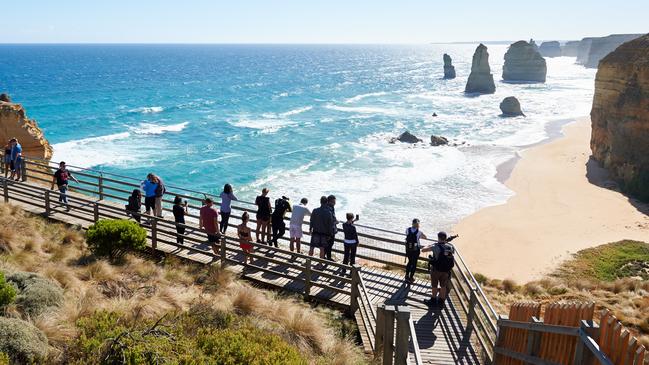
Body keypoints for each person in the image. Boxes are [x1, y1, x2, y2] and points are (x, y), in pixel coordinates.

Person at [422, 232, 458, 307]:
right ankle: (441, 301)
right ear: (445, 238)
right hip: (446, 270)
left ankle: (433, 300)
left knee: (434, 285)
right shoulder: (450, 247)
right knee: (443, 286)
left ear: (438, 238)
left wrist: (430, 245)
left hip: (436, 270)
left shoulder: (435, 246)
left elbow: (423, 250)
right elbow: (451, 254)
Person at [404, 219, 427, 283]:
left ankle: (406, 276)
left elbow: (407, 235)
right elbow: (425, 237)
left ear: (412, 223)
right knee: (414, 263)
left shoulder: (407, 229)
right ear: (418, 224)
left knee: (409, 262)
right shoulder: (419, 232)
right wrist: (419, 236)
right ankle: (411, 277)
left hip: (408, 249)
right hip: (415, 250)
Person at [323, 195, 339, 261]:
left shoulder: (326, 207)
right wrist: (336, 222)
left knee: (327, 244)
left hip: (326, 229)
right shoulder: (330, 208)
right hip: (330, 230)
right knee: (329, 244)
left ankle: (324, 257)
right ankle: (327, 258)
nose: (335, 203)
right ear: (330, 201)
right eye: (333, 201)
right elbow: (331, 219)